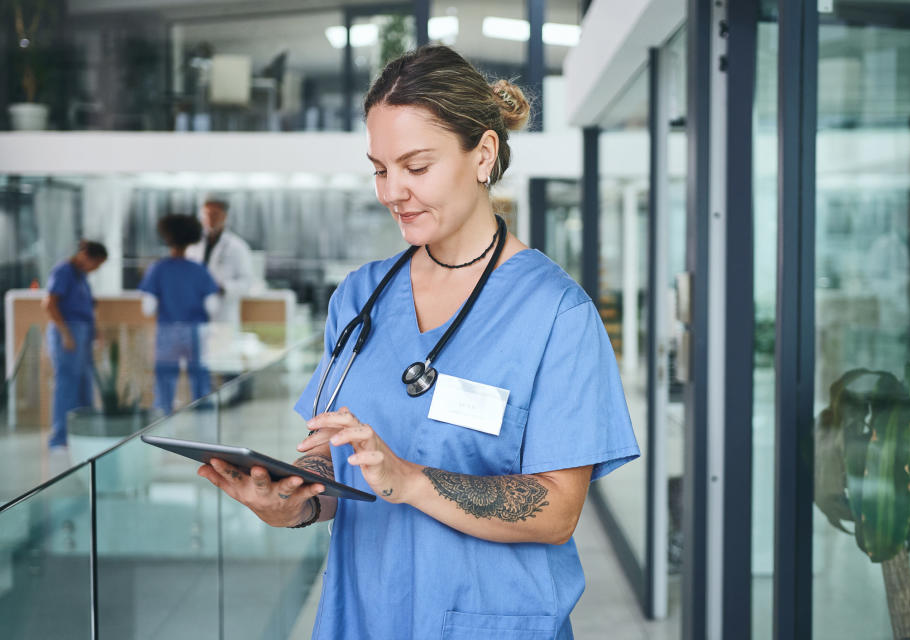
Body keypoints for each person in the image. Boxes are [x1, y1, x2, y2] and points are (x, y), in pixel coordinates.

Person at [197, 45, 640, 639]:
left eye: (416, 166)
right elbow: (334, 463)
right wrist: (292, 499)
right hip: (366, 615)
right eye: (381, 168)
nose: (391, 192)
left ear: (482, 155)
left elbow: (558, 510)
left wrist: (410, 480)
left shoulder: (557, 313)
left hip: (492, 623)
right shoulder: (360, 298)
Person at [139, 214, 220, 414]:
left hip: (167, 330)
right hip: (196, 331)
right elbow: (213, 307)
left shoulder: (157, 269)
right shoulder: (199, 270)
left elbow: (147, 308)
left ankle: (163, 416)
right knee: (200, 377)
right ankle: (203, 418)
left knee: (165, 378)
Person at [42, 240, 108, 448]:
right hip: (68, 333)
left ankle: (82, 436)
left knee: (84, 386)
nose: (96, 269)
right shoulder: (64, 271)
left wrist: (95, 331)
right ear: (86, 256)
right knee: (67, 386)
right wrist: (65, 334)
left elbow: (87, 307)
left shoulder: (81, 277)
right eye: (96, 264)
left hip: (83, 333)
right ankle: (59, 439)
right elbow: (49, 304)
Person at [185, 196, 253, 328]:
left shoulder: (237, 246)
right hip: (194, 313)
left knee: (221, 347)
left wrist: (223, 288)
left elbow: (247, 282)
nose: (210, 218)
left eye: (215, 214)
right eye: (206, 214)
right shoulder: (192, 244)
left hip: (222, 315)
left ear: (224, 216)